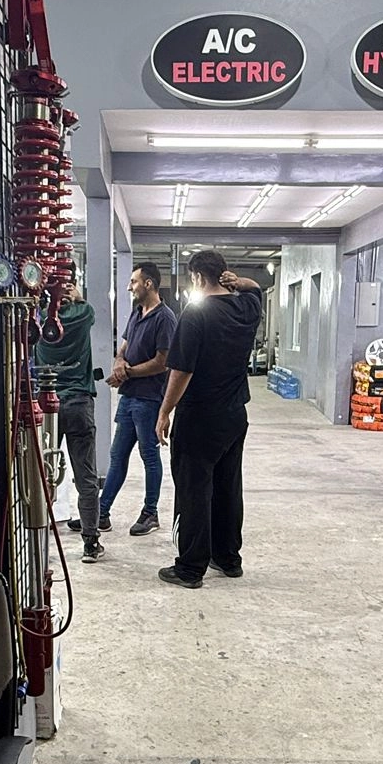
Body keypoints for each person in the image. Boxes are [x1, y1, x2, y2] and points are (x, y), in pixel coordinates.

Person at [155, 250, 263, 589]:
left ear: (198, 278)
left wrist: (165, 411)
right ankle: (228, 558)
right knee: (228, 487)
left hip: (199, 417)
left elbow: (182, 370)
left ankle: (190, 568)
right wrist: (238, 281)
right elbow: (255, 287)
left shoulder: (195, 314)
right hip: (234, 415)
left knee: (194, 491)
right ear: (224, 275)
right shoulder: (246, 307)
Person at [99, 262, 176, 537]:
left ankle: (150, 513)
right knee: (117, 456)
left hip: (149, 399)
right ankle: (101, 513)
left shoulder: (165, 318)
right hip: (129, 397)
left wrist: (127, 372)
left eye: (133, 281)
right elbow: (125, 346)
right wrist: (119, 362)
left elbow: (162, 362)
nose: (129, 287)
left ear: (148, 284)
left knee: (149, 456)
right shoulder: (137, 313)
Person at [35, 288, 103, 562]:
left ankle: (38, 541)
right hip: (78, 403)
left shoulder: (38, 318)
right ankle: (90, 543)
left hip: (46, 405)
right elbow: (89, 311)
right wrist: (78, 297)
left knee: (42, 474)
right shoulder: (83, 313)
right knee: (86, 477)